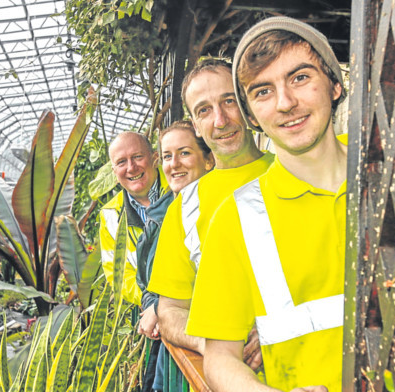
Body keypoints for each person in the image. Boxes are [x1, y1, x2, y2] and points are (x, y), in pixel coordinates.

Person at [186, 16, 347, 392]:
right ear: (253, 117)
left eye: (300, 78)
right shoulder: (236, 217)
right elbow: (221, 356)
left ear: (335, 85)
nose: (286, 103)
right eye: (262, 92)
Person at [147, 58, 273, 368]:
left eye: (229, 101)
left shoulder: (293, 170)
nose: (220, 119)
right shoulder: (185, 207)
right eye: (204, 110)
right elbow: (170, 311)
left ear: (245, 104)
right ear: (195, 125)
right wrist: (217, 345)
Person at [135, 121, 214, 392]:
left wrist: (158, 309)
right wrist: (154, 305)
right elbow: (145, 280)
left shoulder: (220, 209)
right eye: (167, 156)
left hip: (209, 352)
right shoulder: (161, 216)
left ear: (209, 160)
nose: (174, 164)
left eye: (185, 153)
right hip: (171, 349)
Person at [98, 131, 170, 306]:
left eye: (137, 157)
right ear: (114, 170)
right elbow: (118, 274)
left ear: (155, 158)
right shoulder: (110, 215)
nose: (131, 168)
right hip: (150, 312)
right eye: (121, 162)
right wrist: (151, 302)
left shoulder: (178, 190)